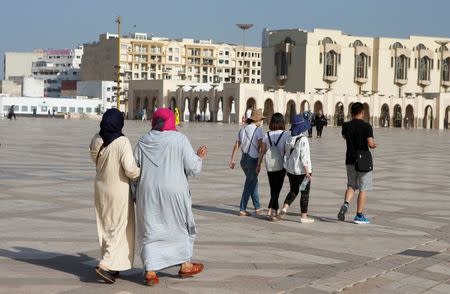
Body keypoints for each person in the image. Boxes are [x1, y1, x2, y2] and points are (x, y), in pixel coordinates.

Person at [134, 108, 207, 286]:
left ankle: (151, 271)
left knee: (151, 228)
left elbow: (133, 168)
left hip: (148, 192)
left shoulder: (143, 141)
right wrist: (198, 157)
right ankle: (185, 264)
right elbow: (193, 168)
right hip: (174, 191)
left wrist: (134, 192)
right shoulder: (179, 139)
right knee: (179, 226)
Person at [89, 108, 141, 284]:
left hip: (100, 187)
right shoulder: (122, 142)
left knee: (105, 227)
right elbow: (130, 169)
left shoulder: (97, 138)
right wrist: (142, 173)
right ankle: (105, 264)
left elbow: (93, 158)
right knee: (118, 227)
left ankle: (113, 267)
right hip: (117, 189)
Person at [337, 102, 377, 224]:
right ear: (362, 112)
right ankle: (359, 215)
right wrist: (374, 145)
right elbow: (370, 144)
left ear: (351, 112)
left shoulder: (346, 126)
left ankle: (346, 204)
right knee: (363, 188)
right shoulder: (366, 127)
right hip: (363, 160)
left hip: (349, 159)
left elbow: (345, 137)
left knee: (351, 186)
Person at [278, 114, 314, 223]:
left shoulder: (289, 138)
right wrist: (308, 172)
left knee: (293, 191)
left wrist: (287, 168)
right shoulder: (303, 139)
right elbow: (305, 157)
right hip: (302, 171)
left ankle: (284, 208)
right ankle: (304, 217)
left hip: (291, 170)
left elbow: (287, 155)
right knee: (304, 193)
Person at [229, 109, 264, 216]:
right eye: (261, 119)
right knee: (249, 184)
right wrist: (260, 162)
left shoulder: (242, 130)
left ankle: (257, 207)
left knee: (253, 182)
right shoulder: (259, 130)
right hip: (253, 160)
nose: (261, 122)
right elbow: (260, 147)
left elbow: (236, 145)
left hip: (243, 160)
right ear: (258, 120)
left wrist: (232, 160)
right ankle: (242, 209)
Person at [257, 113, 290, 221]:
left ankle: (273, 210)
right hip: (281, 165)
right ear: (282, 122)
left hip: (270, 165)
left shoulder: (267, 135)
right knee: (277, 189)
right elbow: (288, 151)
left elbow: (262, 151)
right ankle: (271, 210)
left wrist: (259, 164)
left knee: (273, 188)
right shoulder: (286, 134)